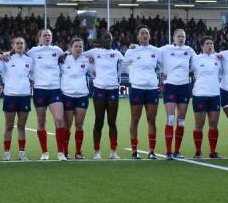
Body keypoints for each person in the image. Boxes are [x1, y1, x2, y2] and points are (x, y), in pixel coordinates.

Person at [24, 29, 67, 161]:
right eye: (45, 35)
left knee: (59, 120)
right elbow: (23, 60)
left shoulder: (58, 50)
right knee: (41, 121)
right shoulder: (33, 51)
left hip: (55, 89)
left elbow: (67, 58)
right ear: (39, 38)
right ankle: (45, 152)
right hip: (40, 90)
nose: (47, 37)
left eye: (49, 35)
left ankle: (61, 153)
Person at [83, 32, 124, 160]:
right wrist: (91, 68)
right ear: (101, 40)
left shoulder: (117, 54)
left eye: (109, 38)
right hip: (99, 89)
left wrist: (117, 78)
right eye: (105, 37)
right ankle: (97, 152)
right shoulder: (94, 52)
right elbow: (80, 55)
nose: (107, 39)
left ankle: (113, 151)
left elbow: (124, 65)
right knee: (99, 121)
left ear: (112, 40)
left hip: (112, 89)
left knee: (112, 122)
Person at [123, 25, 161, 159]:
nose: (145, 35)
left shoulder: (156, 51)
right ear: (138, 37)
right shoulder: (131, 51)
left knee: (152, 120)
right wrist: (133, 74)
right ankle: (134, 151)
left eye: (147, 33)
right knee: (135, 119)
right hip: (137, 88)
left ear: (149, 36)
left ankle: (152, 151)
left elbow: (162, 66)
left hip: (151, 89)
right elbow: (124, 65)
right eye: (142, 33)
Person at [158, 29, 195, 159]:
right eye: (179, 36)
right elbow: (151, 54)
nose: (181, 39)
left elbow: (195, 64)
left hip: (184, 86)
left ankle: (177, 151)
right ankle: (168, 152)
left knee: (181, 121)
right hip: (170, 86)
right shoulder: (165, 49)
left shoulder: (190, 50)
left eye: (183, 37)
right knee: (171, 119)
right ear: (173, 38)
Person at [60, 37, 93, 159]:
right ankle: (65, 152)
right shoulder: (63, 59)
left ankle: (78, 152)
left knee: (79, 125)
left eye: (80, 46)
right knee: (67, 125)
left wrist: (93, 62)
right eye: (76, 46)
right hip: (67, 96)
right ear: (71, 48)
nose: (78, 48)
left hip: (82, 96)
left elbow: (94, 73)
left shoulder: (87, 60)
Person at [1, 37, 33, 161]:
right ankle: (7, 153)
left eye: (21, 43)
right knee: (9, 125)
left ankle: (22, 153)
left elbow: (33, 74)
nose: (19, 45)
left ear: (24, 46)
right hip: (10, 96)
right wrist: (2, 54)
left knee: (21, 126)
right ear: (13, 46)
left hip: (24, 96)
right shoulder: (6, 59)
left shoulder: (29, 60)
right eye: (17, 43)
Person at [191, 37, 222, 159]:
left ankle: (212, 151)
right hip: (199, 95)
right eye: (207, 44)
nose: (210, 46)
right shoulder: (195, 59)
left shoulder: (218, 58)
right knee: (199, 124)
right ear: (201, 46)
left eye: (211, 43)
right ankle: (198, 151)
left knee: (213, 124)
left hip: (214, 94)